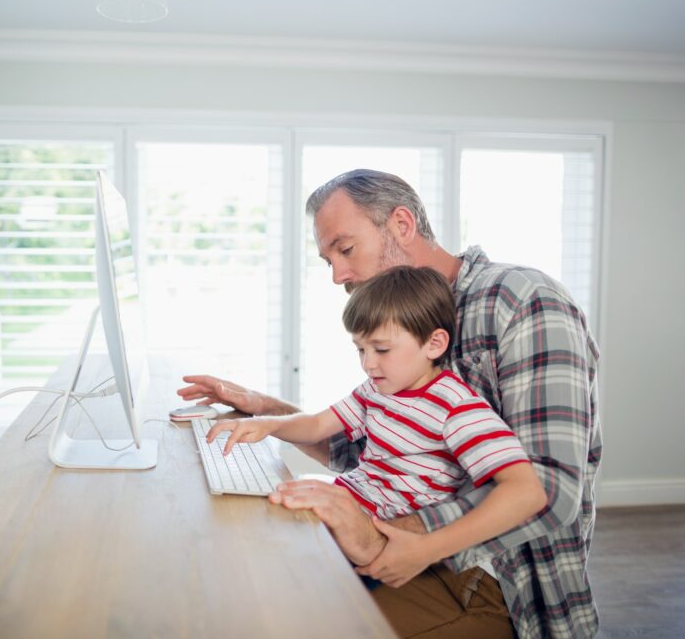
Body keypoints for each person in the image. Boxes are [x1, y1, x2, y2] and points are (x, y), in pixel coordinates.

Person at [178, 169, 602, 638]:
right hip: (413, 547)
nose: (338, 275)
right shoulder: (399, 326)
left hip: (496, 581)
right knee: (253, 585)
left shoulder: (521, 301)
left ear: (401, 224)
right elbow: (365, 452)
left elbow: (550, 491)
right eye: (328, 260)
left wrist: (382, 533)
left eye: (345, 249)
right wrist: (262, 410)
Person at [208, 265, 548, 591]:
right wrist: (265, 424)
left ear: (434, 344)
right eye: (360, 349)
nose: (368, 363)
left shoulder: (457, 407)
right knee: (254, 532)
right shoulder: (378, 389)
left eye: (381, 349)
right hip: (351, 503)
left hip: (381, 536)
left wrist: (429, 547)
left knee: (273, 570)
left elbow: (527, 492)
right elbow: (316, 426)